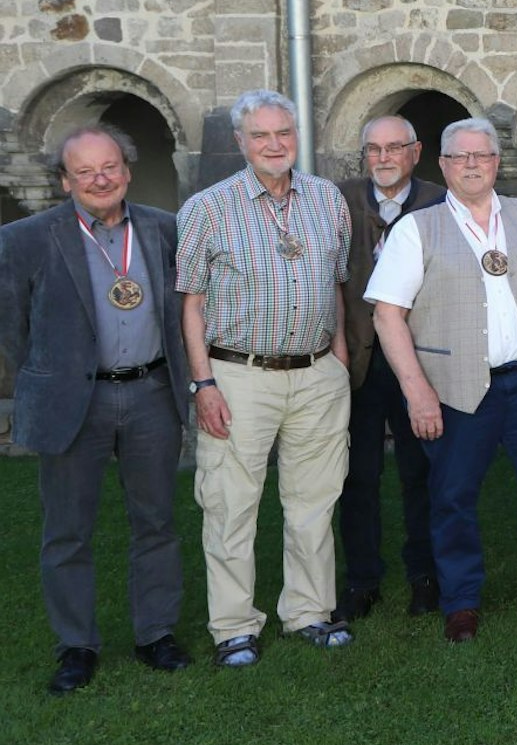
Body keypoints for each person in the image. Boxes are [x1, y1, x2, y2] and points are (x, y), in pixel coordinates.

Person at [369, 118, 517, 643]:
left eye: (482, 155)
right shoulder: (415, 230)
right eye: (460, 156)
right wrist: (417, 391)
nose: (472, 164)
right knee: (452, 496)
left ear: (497, 163)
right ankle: (462, 600)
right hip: (456, 390)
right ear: (443, 165)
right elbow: (387, 315)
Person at [0, 125, 193, 694]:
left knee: (156, 521)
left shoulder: (164, 228)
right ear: (66, 181)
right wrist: (52, 375)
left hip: (151, 393)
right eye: (84, 171)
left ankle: (156, 633)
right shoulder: (25, 238)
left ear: (127, 170)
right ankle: (76, 647)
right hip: (72, 400)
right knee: (66, 531)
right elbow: (13, 327)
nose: (100, 178)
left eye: (108, 166)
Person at [177, 90, 355, 667]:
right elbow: (191, 303)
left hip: (316, 374)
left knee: (314, 501)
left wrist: (340, 362)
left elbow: (335, 286)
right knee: (230, 503)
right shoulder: (207, 208)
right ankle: (234, 626)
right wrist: (203, 385)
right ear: (240, 142)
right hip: (237, 375)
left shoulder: (327, 199)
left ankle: (309, 611)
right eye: (261, 136)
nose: (274, 145)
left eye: (284, 133)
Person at [335, 114, 446, 622]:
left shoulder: (440, 202)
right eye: (373, 148)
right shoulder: (338, 200)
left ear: (415, 151)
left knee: (421, 473)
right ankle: (362, 580)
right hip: (355, 361)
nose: (382, 157)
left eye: (394, 148)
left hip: (418, 363)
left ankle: (425, 575)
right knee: (358, 476)